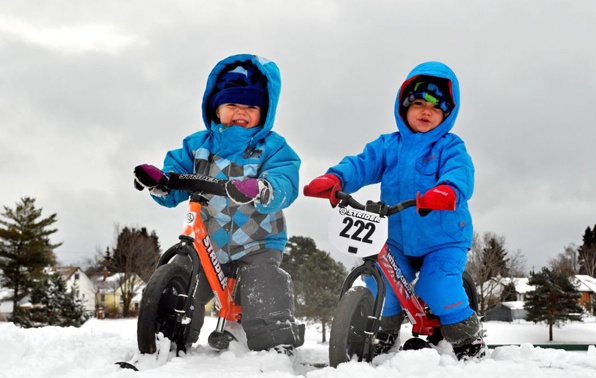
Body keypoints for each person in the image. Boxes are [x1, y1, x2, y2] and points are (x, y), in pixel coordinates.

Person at [304, 61, 486, 360]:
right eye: (417, 104)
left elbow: (460, 173)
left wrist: (447, 190)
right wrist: (335, 178)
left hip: (443, 239)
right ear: (403, 107)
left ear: (446, 114)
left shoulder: (450, 146)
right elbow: (361, 163)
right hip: (397, 236)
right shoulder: (388, 145)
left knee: (437, 285)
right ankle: (381, 334)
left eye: (435, 107)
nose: (425, 111)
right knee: (382, 284)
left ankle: (468, 341)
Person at [133, 54, 304, 354]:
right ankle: (166, 337)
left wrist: (264, 188)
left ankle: (274, 346)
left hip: (257, 244)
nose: (241, 112)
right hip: (207, 243)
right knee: (185, 277)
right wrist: (159, 183)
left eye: (251, 106)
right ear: (216, 107)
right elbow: (173, 181)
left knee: (263, 283)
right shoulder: (196, 145)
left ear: (264, 112)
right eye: (232, 105)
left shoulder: (273, 148)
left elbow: (285, 180)